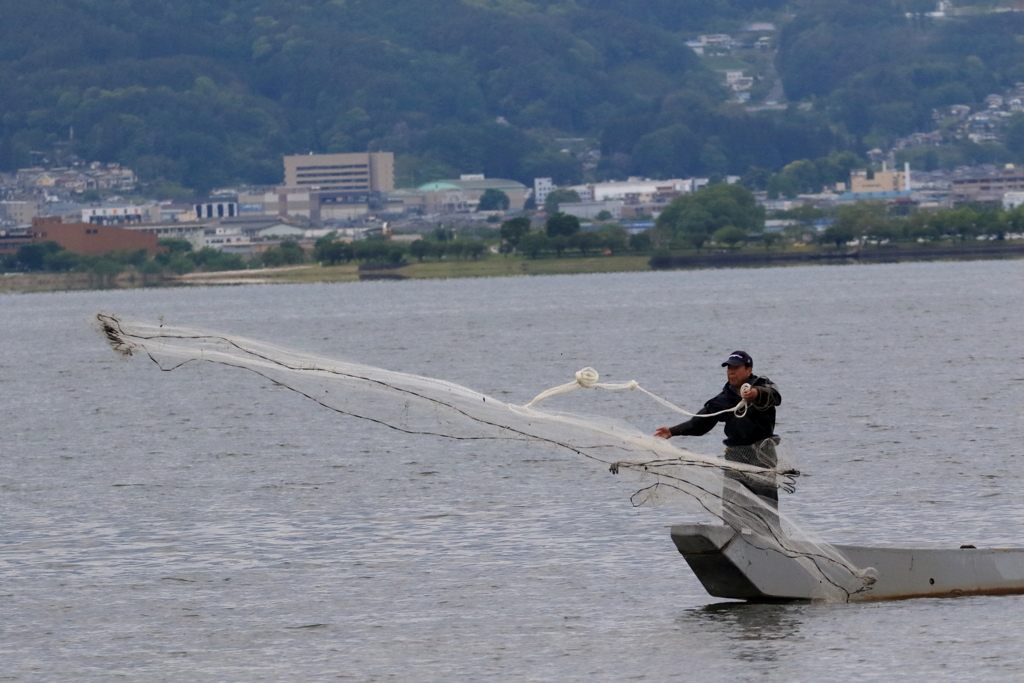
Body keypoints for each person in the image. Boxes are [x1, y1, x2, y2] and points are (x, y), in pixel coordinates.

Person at [654, 350, 782, 533]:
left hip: (762, 455)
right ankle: (733, 539)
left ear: (749, 369)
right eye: (729, 368)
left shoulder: (762, 385)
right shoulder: (723, 399)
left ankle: (773, 540)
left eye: (736, 368)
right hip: (736, 456)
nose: (731, 372)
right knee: (732, 509)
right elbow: (699, 424)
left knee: (765, 508)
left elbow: (775, 396)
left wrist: (755, 394)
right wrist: (672, 431)